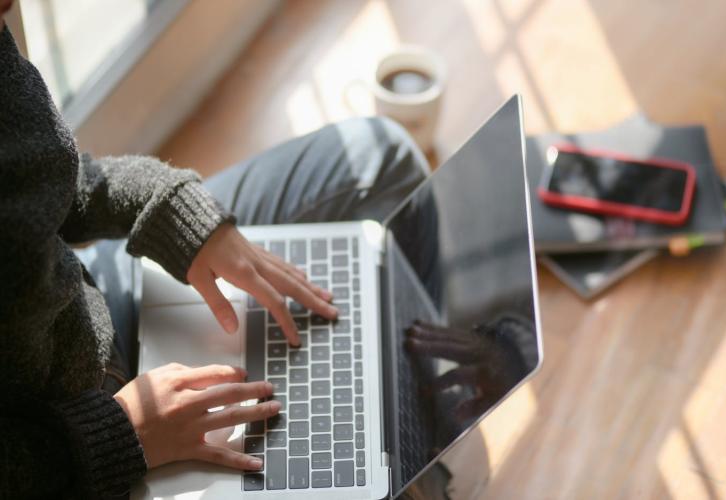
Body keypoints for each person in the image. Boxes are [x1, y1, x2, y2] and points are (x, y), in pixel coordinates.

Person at [0, 4, 429, 498]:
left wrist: (178, 216)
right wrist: (122, 433)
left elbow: (48, 180)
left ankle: (422, 414)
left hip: (89, 310)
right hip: (76, 450)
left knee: (383, 157)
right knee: (351, 466)